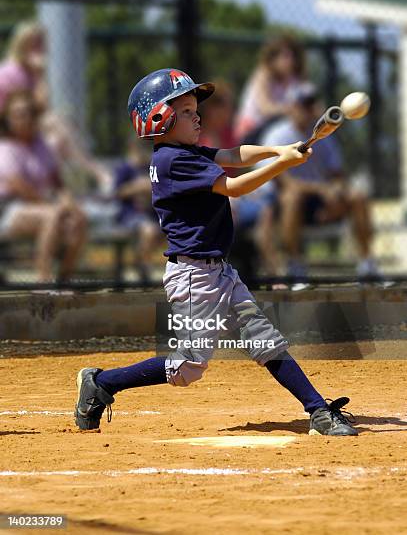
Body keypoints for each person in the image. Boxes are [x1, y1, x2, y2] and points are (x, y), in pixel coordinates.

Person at [74, 68, 358, 437]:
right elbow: (234, 187)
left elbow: (232, 154)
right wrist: (282, 164)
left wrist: (277, 149)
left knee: (265, 341)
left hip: (218, 271)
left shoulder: (185, 152)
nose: (198, 117)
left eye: (196, 110)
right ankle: (103, 383)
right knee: (188, 367)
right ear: (161, 117)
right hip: (194, 279)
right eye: (188, 111)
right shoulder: (171, 160)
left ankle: (318, 411)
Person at [253, 82, 377, 278]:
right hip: (286, 206)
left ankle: (367, 263)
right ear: (291, 107)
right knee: (292, 197)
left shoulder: (325, 135)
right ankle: (294, 265)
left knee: (357, 196)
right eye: (303, 104)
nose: (307, 109)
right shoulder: (277, 134)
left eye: (311, 103)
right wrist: (322, 190)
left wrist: (335, 192)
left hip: (322, 201)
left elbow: (337, 175)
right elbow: (283, 182)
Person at [0, 21, 110, 192]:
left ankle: (68, 189)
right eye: (33, 43)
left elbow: (41, 107)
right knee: (55, 122)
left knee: (56, 140)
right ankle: (96, 172)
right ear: (21, 45)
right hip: (9, 129)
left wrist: (39, 74)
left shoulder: (31, 72)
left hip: (30, 128)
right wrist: (39, 73)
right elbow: (32, 109)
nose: (39, 49)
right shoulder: (11, 71)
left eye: (41, 43)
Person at [0, 90, 87, 282]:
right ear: (8, 119)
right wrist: (55, 205)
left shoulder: (42, 146)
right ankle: (43, 282)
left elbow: (57, 182)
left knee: (78, 219)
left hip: (43, 205)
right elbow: (19, 187)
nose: (27, 118)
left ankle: (64, 280)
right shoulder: (5, 147)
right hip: (8, 209)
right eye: (20, 114)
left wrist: (69, 204)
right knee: (53, 215)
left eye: (30, 113)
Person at [234, 34, 306, 143]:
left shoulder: (295, 80)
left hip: (277, 130)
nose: (290, 61)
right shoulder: (263, 75)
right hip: (252, 131)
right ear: (273, 58)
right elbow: (265, 108)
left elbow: (312, 105)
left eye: (293, 56)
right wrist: (290, 109)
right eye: (285, 56)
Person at [113, 137, 163, 281]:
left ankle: (139, 262)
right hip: (130, 215)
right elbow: (117, 192)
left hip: (152, 214)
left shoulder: (151, 167)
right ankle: (143, 268)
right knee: (149, 230)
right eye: (140, 145)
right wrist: (137, 187)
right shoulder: (125, 168)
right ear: (132, 147)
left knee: (170, 229)